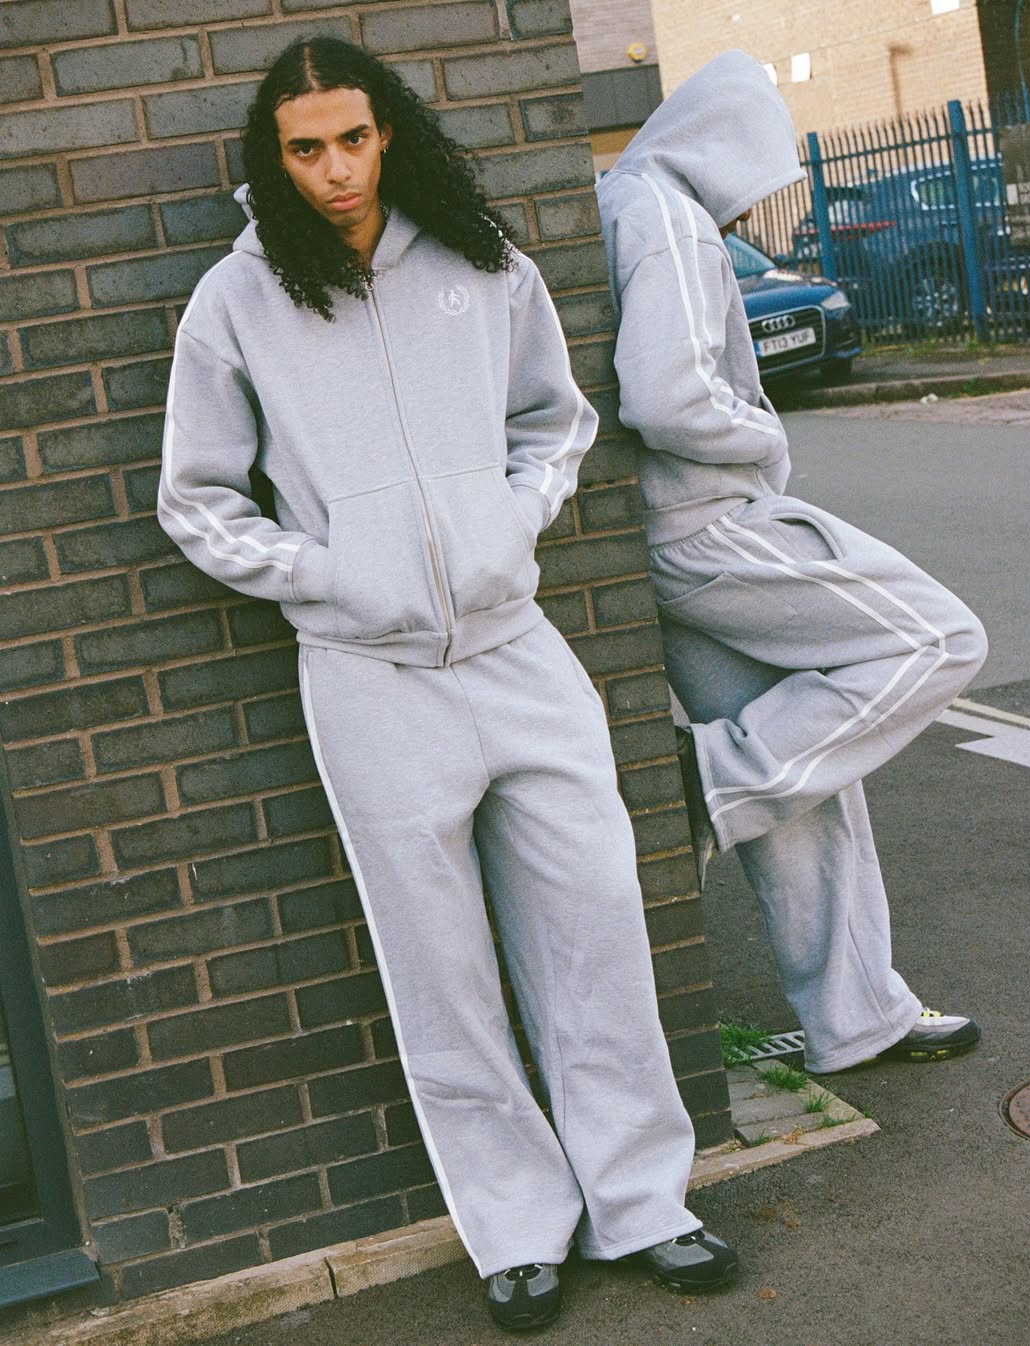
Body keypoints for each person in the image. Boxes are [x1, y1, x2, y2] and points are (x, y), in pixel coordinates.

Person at [158, 37, 737, 1334]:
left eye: (352, 140)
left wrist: (513, 518)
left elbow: (559, 415)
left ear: (389, 134)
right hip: (367, 675)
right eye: (305, 148)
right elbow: (194, 495)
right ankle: (517, 1223)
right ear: (278, 156)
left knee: (597, 926)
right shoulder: (238, 302)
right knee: (440, 967)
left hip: (517, 648)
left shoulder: (483, 263)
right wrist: (326, 575)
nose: (334, 170)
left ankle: (647, 1199)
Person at [597, 51, 989, 1078]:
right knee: (941, 636)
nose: (752, 205)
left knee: (807, 776)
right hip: (713, 520)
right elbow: (668, 398)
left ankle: (854, 1018)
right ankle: (711, 780)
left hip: (658, 533)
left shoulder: (623, 200)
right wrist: (761, 442)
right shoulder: (673, 218)